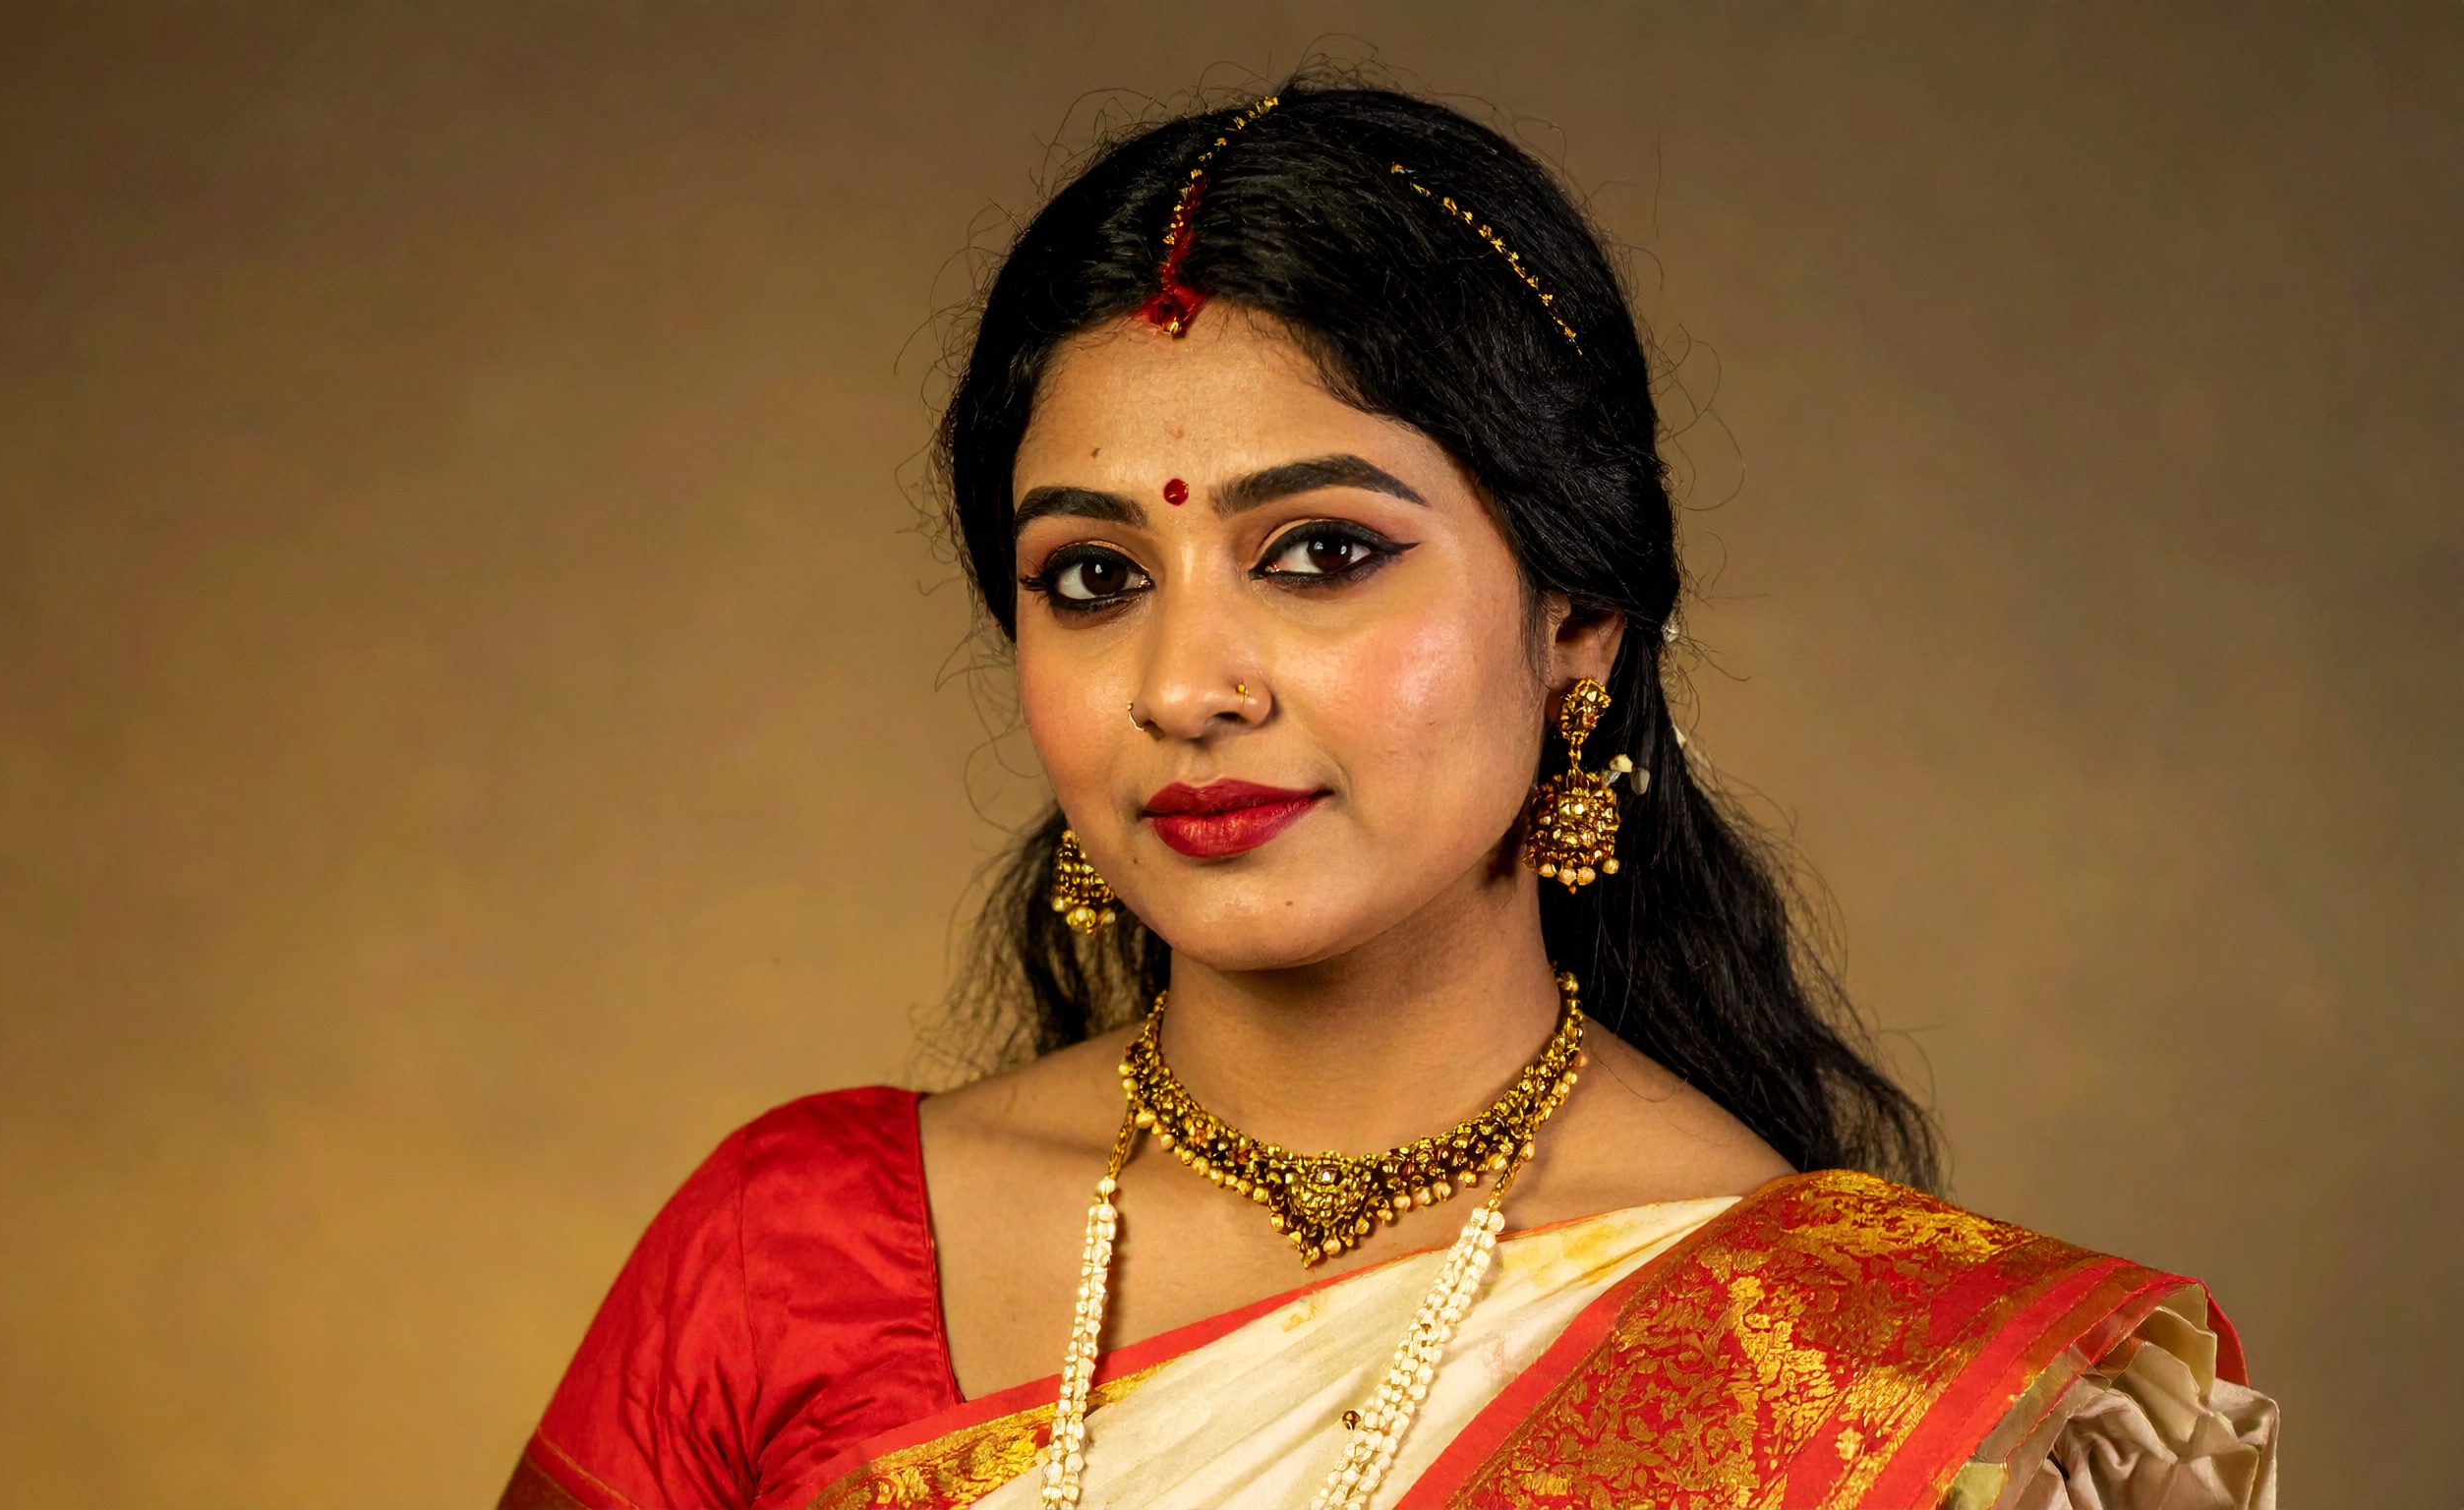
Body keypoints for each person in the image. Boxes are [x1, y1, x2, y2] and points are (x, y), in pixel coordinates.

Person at [499, 84, 2275, 1510]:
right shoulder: (782, 1255)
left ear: (1575, 619)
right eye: (1093, 579)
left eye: (1323, 552)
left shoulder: (1867, 1386)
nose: (1187, 686)